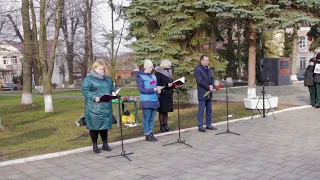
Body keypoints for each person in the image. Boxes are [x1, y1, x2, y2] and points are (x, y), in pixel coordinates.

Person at [81, 60, 114, 153]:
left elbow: (111, 88)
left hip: (106, 106)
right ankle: (95, 145)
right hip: (94, 107)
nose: (102, 71)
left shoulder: (107, 79)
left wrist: (113, 92)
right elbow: (85, 91)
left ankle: (105, 144)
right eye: (100, 69)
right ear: (94, 68)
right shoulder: (88, 79)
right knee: (94, 126)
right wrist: (94, 97)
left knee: (105, 126)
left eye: (103, 69)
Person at [136, 59, 160, 142]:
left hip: (154, 99)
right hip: (146, 100)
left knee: (152, 118)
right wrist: (153, 89)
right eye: (149, 68)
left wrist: (158, 90)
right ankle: (147, 134)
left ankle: (151, 132)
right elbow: (141, 90)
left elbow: (156, 86)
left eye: (151, 68)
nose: (151, 69)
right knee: (146, 118)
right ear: (145, 67)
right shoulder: (140, 77)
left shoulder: (154, 76)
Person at [194, 55, 218, 132]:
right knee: (201, 110)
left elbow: (211, 78)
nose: (208, 62)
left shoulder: (208, 69)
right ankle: (200, 126)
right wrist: (208, 87)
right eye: (206, 61)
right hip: (202, 92)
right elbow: (200, 81)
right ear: (201, 61)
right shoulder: (198, 69)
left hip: (209, 92)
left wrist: (213, 86)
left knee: (209, 110)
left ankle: (208, 124)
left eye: (208, 61)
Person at [155, 59, 175, 132]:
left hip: (168, 94)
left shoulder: (169, 72)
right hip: (162, 94)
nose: (169, 66)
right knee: (162, 111)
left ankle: (166, 125)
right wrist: (166, 85)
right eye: (168, 65)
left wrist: (174, 85)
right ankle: (162, 127)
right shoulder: (158, 73)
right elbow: (157, 83)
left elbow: (170, 82)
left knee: (166, 111)